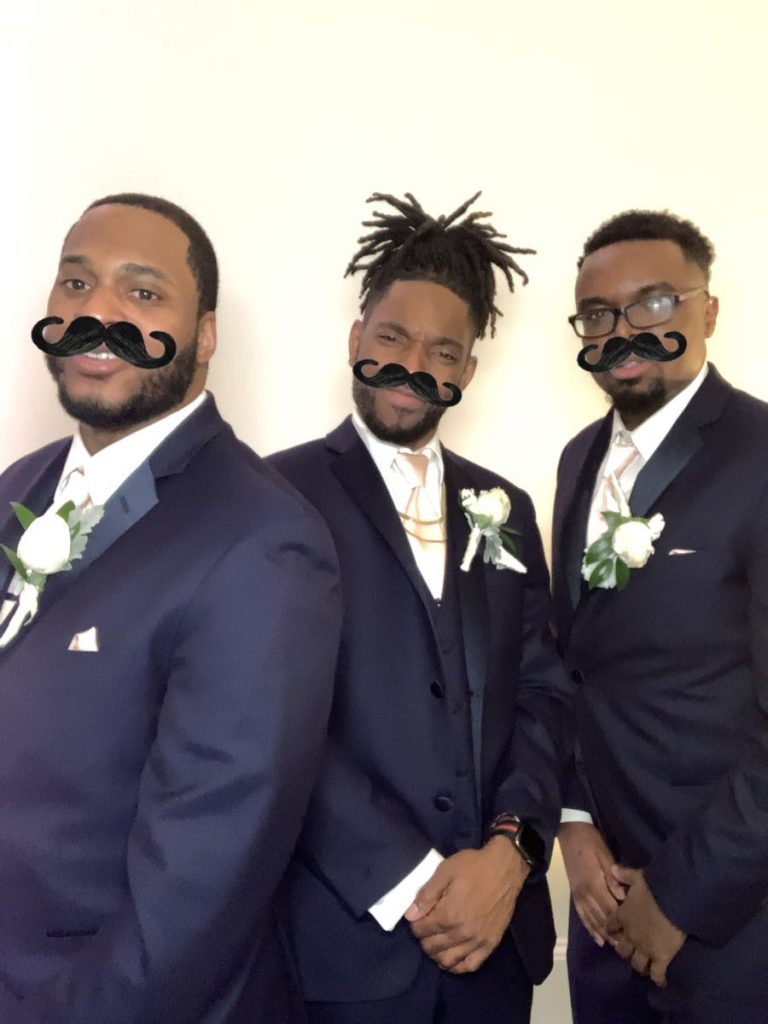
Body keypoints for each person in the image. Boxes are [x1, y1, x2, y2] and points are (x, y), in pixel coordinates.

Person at [0, 192, 341, 1022]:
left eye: (142, 293)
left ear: (206, 334)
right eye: (75, 284)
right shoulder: (22, 485)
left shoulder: (264, 541)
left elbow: (197, 892)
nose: (98, 313)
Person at [267, 191, 574, 1024]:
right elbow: (268, 718)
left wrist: (511, 854)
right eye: (392, 337)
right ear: (356, 339)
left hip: (496, 947)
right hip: (344, 943)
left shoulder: (504, 506)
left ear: (467, 371)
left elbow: (544, 696)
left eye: (443, 350)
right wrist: (413, 882)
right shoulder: (273, 495)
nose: (413, 365)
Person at [553, 209, 768, 1024]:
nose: (623, 331)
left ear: (706, 311)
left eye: (653, 303)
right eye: (598, 315)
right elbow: (575, 663)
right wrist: (572, 823)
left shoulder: (760, 454)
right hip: (600, 900)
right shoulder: (577, 459)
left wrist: (678, 896)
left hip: (730, 919)